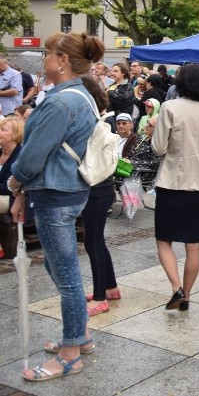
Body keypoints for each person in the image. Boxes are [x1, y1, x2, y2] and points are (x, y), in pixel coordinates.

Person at [9, 31, 105, 382]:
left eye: (48, 53)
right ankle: (81, 335)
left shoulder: (63, 100)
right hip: (64, 190)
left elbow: (34, 155)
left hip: (57, 193)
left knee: (65, 277)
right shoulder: (76, 94)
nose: (43, 58)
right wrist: (23, 192)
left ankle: (71, 352)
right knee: (59, 268)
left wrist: (15, 183)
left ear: (63, 60)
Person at [151, 63, 199, 312]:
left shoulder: (170, 107)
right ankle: (187, 296)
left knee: (164, 239)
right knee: (194, 245)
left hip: (172, 180)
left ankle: (176, 288)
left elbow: (159, 148)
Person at [80, 78, 121, 317]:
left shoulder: (97, 123)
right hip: (102, 188)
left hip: (96, 188)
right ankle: (111, 287)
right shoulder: (105, 121)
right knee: (97, 240)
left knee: (92, 242)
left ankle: (100, 297)